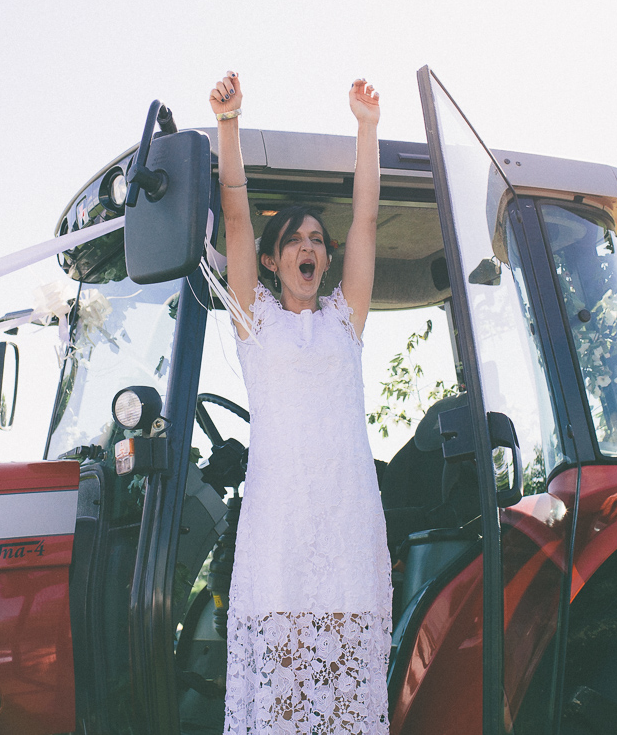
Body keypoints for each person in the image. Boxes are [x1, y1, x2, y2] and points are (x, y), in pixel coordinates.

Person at [211, 71, 390, 734]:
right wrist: (229, 124)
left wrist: (365, 130)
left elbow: (367, 218)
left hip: (343, 513)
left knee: (344, 679)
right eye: (294, 240)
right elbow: (234, 211)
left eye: (317, 238)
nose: (309, 246)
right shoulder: (256, 319)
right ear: (271, 259)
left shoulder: (346, 320)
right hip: (281, 516)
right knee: (285, 677)